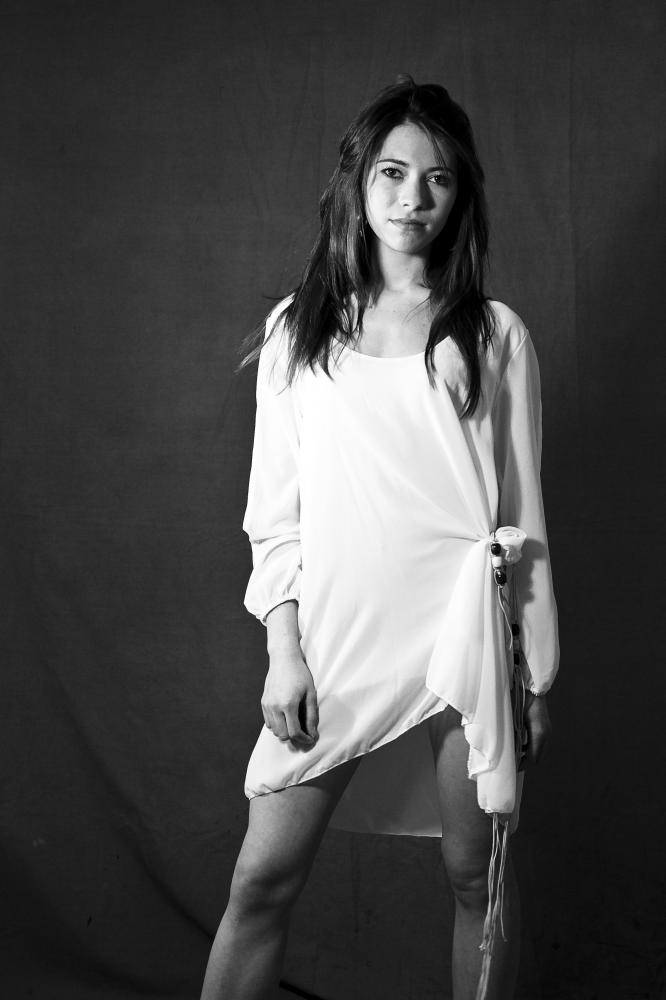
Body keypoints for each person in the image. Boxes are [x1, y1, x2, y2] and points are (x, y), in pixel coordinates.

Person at [201, 76, 559, 1000]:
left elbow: (524, 518)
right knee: (260, 879)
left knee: (478, 878)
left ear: (460, 194)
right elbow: (273, 514)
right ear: (358, 183)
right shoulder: (300, 332)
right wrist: (284, 650)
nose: (412, 198)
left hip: (464, 637)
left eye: (438, 178)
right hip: (339, 632)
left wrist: (531, 676)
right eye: (393, 173)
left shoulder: (495, 336)